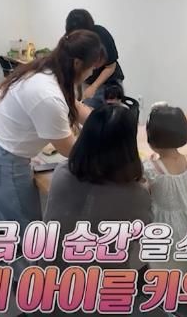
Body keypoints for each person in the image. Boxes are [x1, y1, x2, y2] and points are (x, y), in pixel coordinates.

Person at [0, 30, 103, 228]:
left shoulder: (48, 70)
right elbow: (72, 151)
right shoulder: (48, 94)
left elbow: (73, 104)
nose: (92, 73)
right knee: (23, 227)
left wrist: (104, 121)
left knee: (3, 219)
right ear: (77, 63)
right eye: (92, 67)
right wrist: (106, 152)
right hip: (2, 159)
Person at [43, 105, 151, 273]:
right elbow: (145, 235)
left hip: (48, 273)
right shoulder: (136, 195)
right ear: (128, 148)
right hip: (99, 280)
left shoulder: (62, 172)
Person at [143, 103, 187, 272]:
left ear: (151, 139)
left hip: (164, 224)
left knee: (165, 262)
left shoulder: (151, 168)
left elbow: (143, 197)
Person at [65, 9, 124, 108]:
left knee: (110, 113)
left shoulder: (102, 35)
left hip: (110, 82)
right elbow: (77, 69)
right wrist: (79, 94)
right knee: (86, 110)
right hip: (89, 83)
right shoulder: (71, 41)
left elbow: (111, 66)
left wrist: (94, 87)